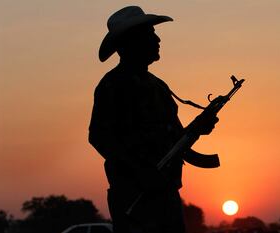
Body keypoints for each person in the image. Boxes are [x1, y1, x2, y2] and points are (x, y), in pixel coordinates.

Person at [89, 6, 219, 233]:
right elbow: (99, 137)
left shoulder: (158, 87)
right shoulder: (113, 85)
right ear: (131, 42)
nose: (157, 39)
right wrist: (140, 171)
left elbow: (176, 142)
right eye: (150, 34)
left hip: (166, 195)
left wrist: (198, 128)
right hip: (134, 198)